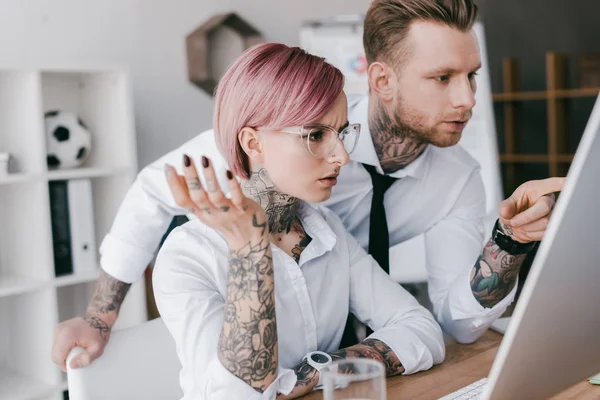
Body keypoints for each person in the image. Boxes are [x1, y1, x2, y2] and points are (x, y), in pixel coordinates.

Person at [52, 0, 564, 371]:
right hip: (245, 305)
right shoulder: (271, 135)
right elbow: (151, 191)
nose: (467, 99)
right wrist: (99, 317)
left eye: (472, 76)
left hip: (337, 315)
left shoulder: (457, 181)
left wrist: (507, 244)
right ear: (382, 80)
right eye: (443, 78)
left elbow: (454, 322)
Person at [156, 42, 445, 399]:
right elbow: (240, 395)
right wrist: (251, 252)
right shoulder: (188, 256)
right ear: (253, 142)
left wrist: (315, 372)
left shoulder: (326, 230)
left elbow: (421, 329)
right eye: (315, 135)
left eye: (340, 133)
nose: (341, 156)